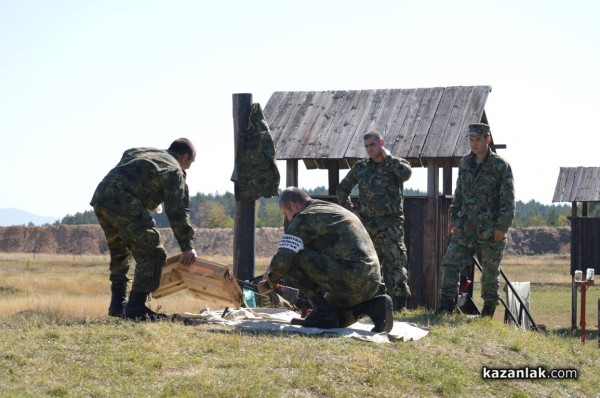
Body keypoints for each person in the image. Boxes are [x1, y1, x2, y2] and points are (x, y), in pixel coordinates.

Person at [257, 187, 394, 333]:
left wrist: (269, 284)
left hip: (351, 278)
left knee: (292, 259)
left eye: (286, 214)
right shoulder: (329, 209)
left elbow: (284, 258)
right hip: (371, 282)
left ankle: (321, 311)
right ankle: (374, 306)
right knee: (335, 320)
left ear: (293, 205)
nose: (289, 219)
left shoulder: (304, 217)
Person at [91, 138, 198, 321]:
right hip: (125, 202)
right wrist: (187, 246)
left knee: (120, 251)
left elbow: (127, 155)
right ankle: (136, 308)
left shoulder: (142, 151)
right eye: (189, 164)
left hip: (102, 198)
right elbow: (177, 211)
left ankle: (117, 304)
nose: (187, 169)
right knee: (152, 253)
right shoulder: (173, 170)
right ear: (184, 156)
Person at [436, 123, 515, 317]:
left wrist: (502, 226)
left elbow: (508, 200)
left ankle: (488, 311)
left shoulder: (500, 166)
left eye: (478, 139)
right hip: (464, 228)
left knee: (489, 273)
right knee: (450, 265)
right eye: (471, 140)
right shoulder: (465, 163)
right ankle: (446, 306)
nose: (474, 144)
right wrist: (453, 218)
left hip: (490, 231)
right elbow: (459, 194)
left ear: (487, 139)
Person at [336, 131, 412, 311]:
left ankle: (400, 305)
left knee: (396, 263)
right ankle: (377, 304)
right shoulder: (361, 167)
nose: (370, 149)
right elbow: (342, 188)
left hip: (391, 225)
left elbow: (406, 174)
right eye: (367, 146)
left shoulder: (396, 164)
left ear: (381, 143)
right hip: (368, 227)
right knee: (371, 265)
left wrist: (389, 158)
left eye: (373, 145)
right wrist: (352, 211)